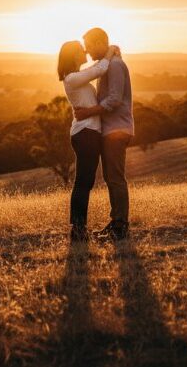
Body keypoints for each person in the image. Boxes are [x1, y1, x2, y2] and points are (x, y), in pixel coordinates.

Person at [73, 27, 134, 241]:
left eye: (89, 45)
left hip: (116, 129)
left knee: (115, 178)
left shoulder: (115, 66)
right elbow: (97, 70)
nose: (87, 51)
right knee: (111, 177)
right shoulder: (109, 64)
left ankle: (121, 226)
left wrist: (88, 112)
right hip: (111, 129)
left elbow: (114, 99)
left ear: (100, 42)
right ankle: (116, 222)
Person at [57, 40, 120, 242]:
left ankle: (78, 228)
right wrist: (110, 50)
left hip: (87, 133)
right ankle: (77, 230)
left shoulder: (77, 78)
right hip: (85, 134)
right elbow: (100, 69)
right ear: (73, 55)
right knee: (83, 183)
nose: (85, 51)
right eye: (80, 50)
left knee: (85, 182)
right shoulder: (72, 78)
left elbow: (96, 70)